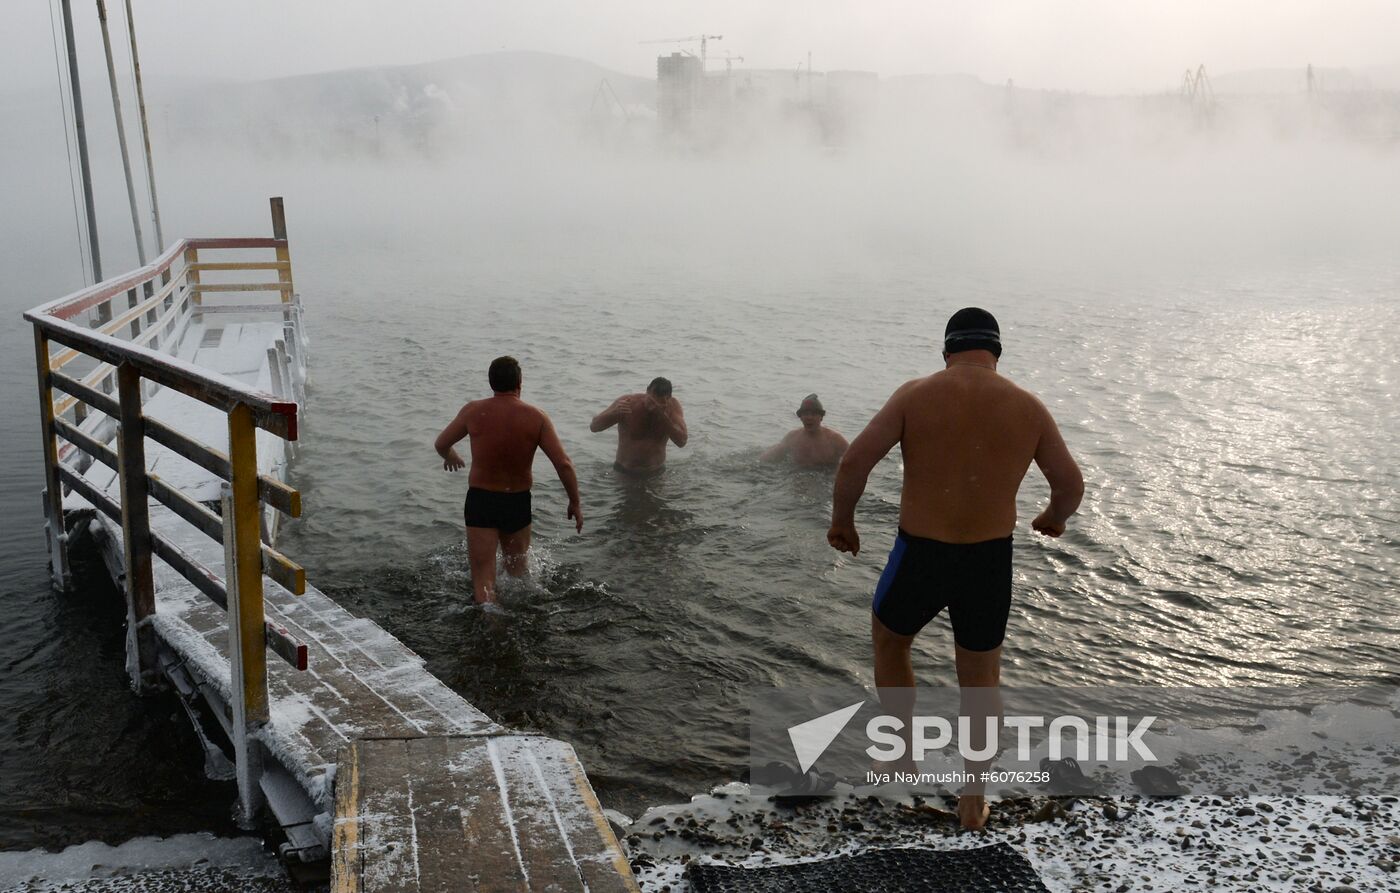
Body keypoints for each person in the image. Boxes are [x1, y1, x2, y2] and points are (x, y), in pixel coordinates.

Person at [827, 308, 1083, 830]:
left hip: (921, 553)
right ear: (996, 352)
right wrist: (1053, 517)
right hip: (988, 560)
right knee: (980, 678)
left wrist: (844, 523)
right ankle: (972, 801)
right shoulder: (1027, 406)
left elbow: (855, 461)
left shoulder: (915, 394)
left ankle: (900, 752)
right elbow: (1069, 483)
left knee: (891, 640)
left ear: (947, 350)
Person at [434, 356, 582, 605]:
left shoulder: (473, 411)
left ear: (491, 382)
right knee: (518, 575)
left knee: (483, 580)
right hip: (517, 502)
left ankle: (492, 625)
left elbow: (441, 443)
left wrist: (450, 455)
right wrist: (575, 502)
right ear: (519, 383)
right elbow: (564, 464)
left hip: (481, 500)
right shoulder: (537, 417)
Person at [590, 377, 688, 475]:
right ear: (647, 392)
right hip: (624, 471)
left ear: (668, 400)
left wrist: (661, 414)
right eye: (651, 400)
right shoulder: (628, 402)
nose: (652, 405)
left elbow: (682, 441)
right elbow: (594, 427)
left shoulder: (672, 408)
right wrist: (614, 413)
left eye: (659, 403)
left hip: (656, 472)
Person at [761, 394, 849, 467]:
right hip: (798, 479)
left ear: (821, 417)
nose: (809, 418)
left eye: (814, 414)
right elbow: (768, 458)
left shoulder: (835, 440)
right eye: (805, 414)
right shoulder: (792, 438)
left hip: (826, 480)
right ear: (800, 417)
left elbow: (854, 460)